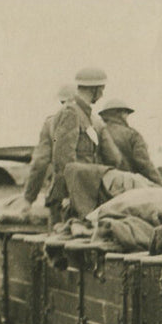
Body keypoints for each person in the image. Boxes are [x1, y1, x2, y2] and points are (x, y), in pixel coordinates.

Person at [49, 67, 123, 218]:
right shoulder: (71, 113)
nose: (102, 94)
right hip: (72, 196)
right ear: (94, 89)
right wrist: (68, 195)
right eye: (101, 88)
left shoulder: (86, 116)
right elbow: (63, 158)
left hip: (84, 192)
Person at [24, 83, 75, 208]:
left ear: (61, 100)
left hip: (62, 193)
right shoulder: (95, 122)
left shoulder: (51, 123)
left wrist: (28, 198)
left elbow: (40, 162)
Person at [97, 101, 162, 186]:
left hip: (103, 185)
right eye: (126, 114)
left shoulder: (98, 132)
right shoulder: (132, 134)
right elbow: (144, 164)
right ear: (122, 114)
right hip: (127, 185)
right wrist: (161, 184)